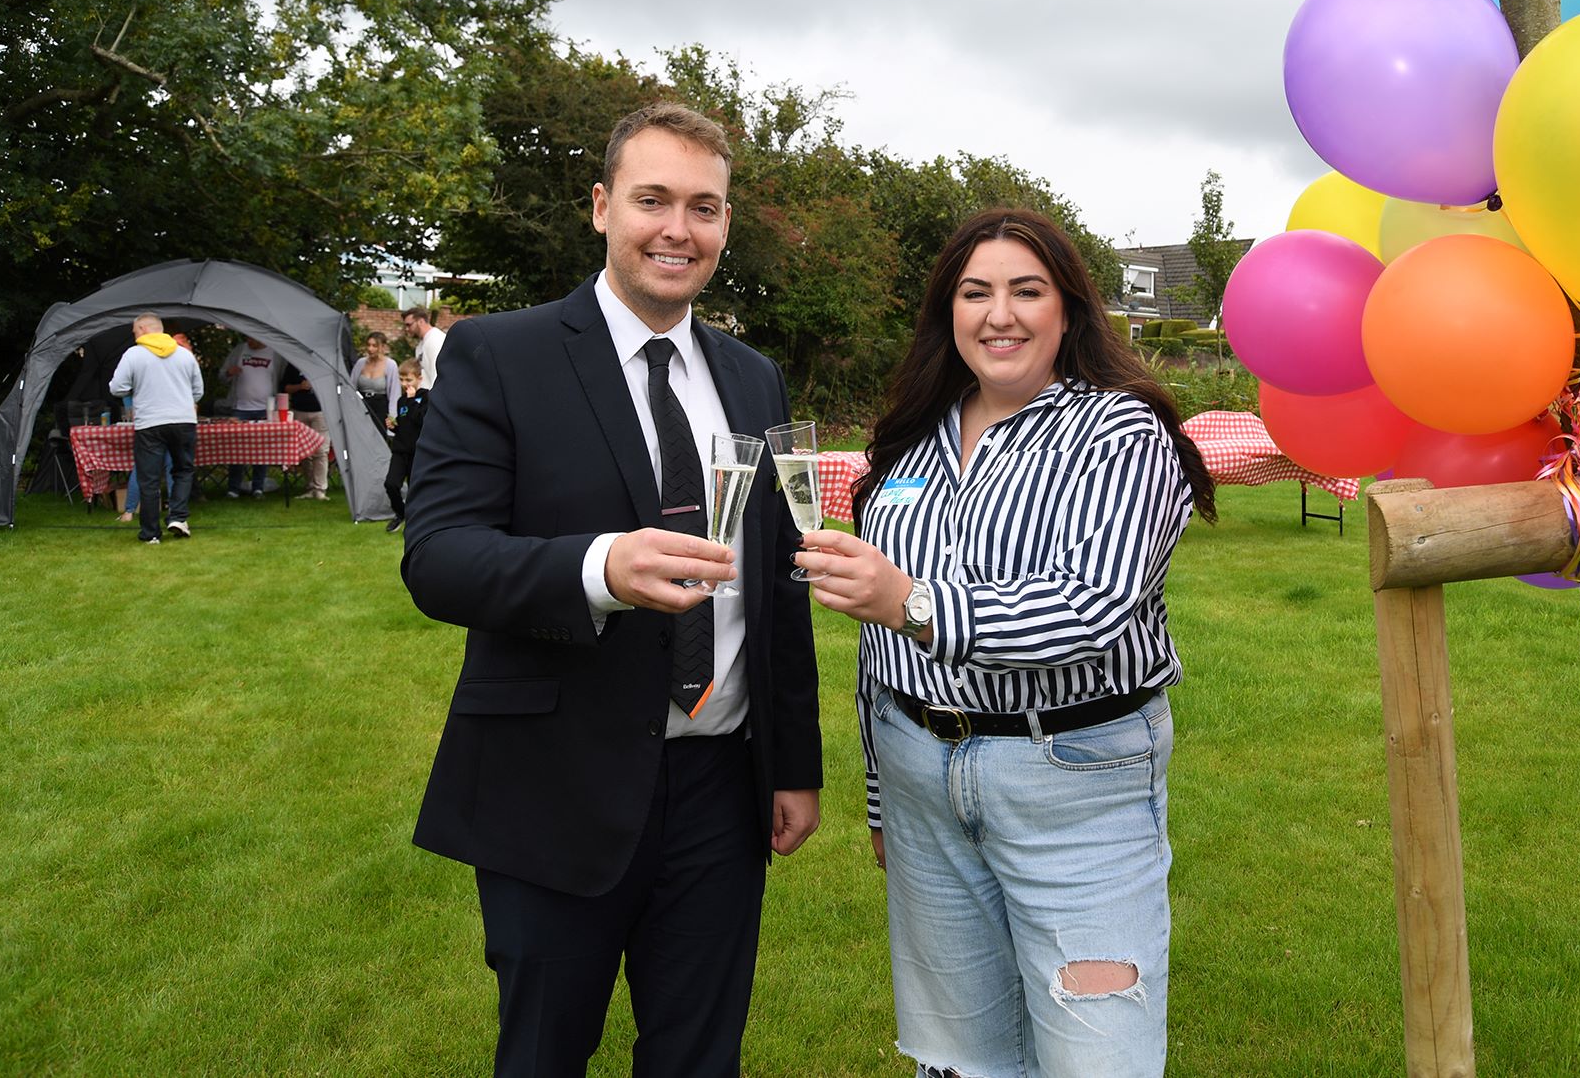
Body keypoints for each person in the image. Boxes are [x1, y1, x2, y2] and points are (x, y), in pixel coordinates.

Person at [402, 101, 823, 1077]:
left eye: (704, 207)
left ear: (725, 224)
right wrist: (597, 569)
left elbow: (774, 585)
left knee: (697, 1059)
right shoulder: (500, 355)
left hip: (721, 790)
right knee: (546, 1055)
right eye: (653, 199)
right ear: (600, 207)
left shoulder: (754, 381)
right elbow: (438, 555)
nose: (678, 229)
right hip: (556, 782)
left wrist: (792, 762)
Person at [801, 207, 1216, 1078]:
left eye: (1027, 291)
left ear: (1067, 309)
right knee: (962, 1059)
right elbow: (884, 658)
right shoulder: (912, 440)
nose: (1000, 315)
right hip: (923, 786)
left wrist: (909, 600)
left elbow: (1089, 607)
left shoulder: (1119, 432)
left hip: (1074, 784)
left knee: (1101, 1057)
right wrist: (883, 797)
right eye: (975, 292)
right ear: (947, 312)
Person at [107, 313, 205, 544]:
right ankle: (178, 517)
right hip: (183, 420)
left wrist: (137, 388)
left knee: (148, 478)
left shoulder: (134, 354)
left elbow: (116, 388)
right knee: (183, 470)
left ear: (142, 328)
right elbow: (198, 392)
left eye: (134, 332)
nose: (133, 336)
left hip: (150, 423)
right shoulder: (184, 354)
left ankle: (151, 533)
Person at [219, 335, 286, 496]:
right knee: (236, 450)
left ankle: (258, 487)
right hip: (240, 408)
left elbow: (281, 378)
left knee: (262, 450)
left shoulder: (275, 354)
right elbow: (221, 376)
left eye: (252, 339)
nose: (249, 342)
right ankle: (233, 488)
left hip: (266, 409)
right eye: (247, 339)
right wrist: (229, 373)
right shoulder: (239, 351)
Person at [382, 359, 426, 533]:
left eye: (409, 380)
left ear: (419, 378)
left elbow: (420, 420)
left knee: (416, 490)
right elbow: (405, 424)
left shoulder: (425, 397)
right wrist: (394, 425)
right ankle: (401, 513)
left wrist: (413, 400)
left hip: (417, 452)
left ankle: (416, 523)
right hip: (400, 450)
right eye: (401, 380)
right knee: (391, 484)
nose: (404, 384)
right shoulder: (401, 401)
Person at [280, 362, 331, 501]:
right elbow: (285, 387)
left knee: (321, 450)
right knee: (305, 451)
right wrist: (300, 386)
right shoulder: (293, 364)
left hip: (321, 412)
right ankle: (309, 487)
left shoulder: (323, 363)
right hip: (299, 410)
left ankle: (320, 489)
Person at [349, 331, 399, 436]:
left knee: (378, 436)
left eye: (374, 346)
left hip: (380, 407)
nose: (370, 349)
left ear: (383, 347)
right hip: (362, 405)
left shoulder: (390, 365)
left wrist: (392, 418)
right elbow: (351, 387)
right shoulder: (360, 363)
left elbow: (394, 394)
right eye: (368, 345)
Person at [402, 305, 446, 390]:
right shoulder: (421, 344)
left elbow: (437, 373)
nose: (407, 329)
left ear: (421, 322)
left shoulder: (435, 340)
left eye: (409, 325)